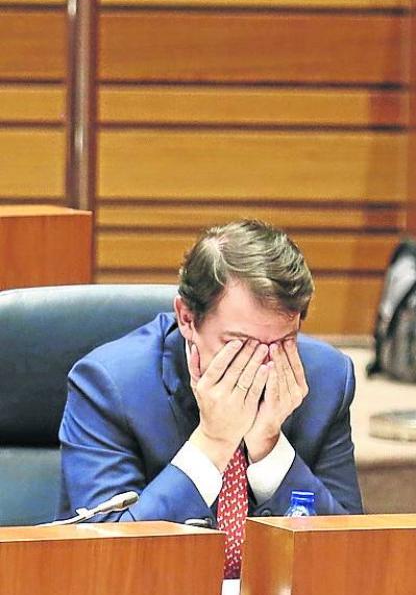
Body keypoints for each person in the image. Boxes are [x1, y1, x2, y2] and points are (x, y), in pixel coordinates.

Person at [59, 219, 362, 573]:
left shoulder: (326, 379)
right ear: (187, 318)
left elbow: (350, 554)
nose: (262, 364)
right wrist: (212, 442)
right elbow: (106, 558)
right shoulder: (109, 385)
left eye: (283, 342)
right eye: (239, 344)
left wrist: (270, 449)